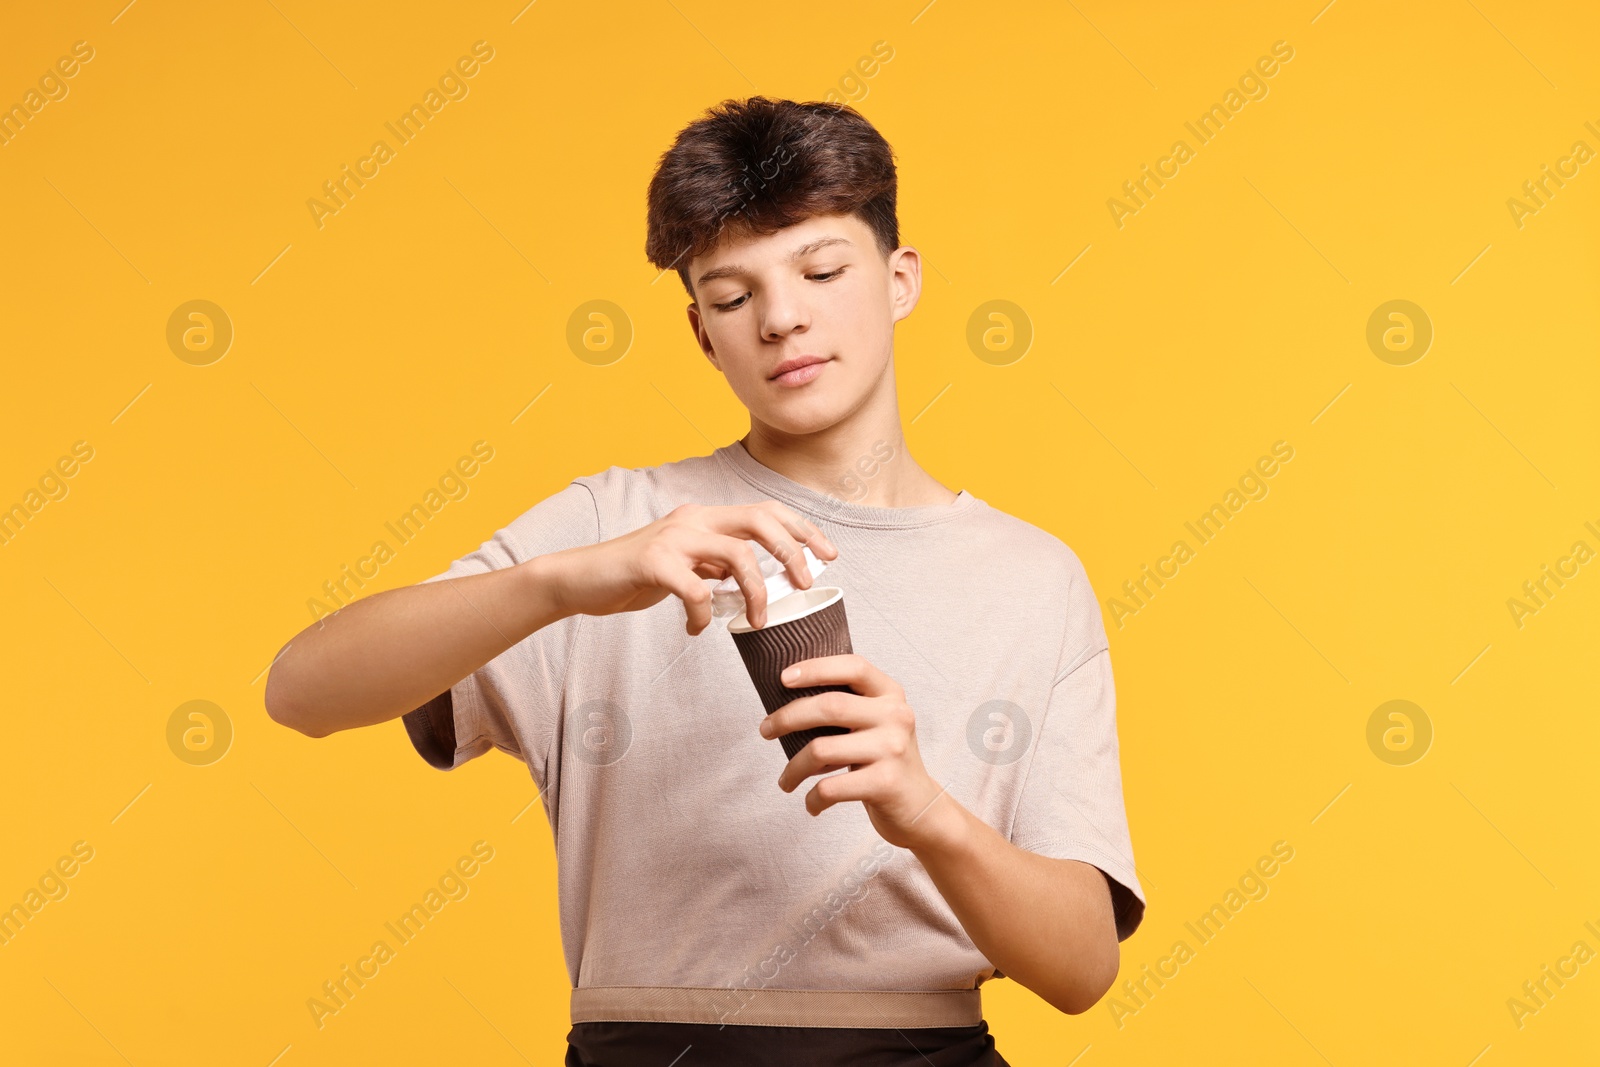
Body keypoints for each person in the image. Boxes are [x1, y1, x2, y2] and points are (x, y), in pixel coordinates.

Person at [265, 96, 1145, 1067]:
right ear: (700, 332)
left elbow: (1080, 967)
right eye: (732, 297)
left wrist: (923, 806)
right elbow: (300, 691)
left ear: (900, 279)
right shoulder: (615, 526)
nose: (781, 318)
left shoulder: (1029, 577)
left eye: (819, 270)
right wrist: (560, 582)